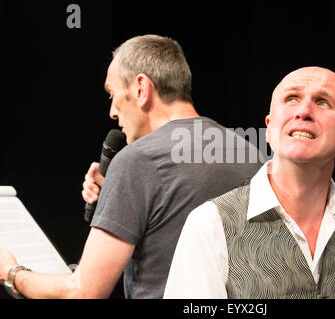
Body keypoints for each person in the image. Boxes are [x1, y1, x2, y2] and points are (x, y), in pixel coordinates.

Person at [0, 34, 262, 298]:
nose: (112, 112)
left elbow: (82, 292)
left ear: (141, 89)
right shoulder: (254, 157)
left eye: (112, 94)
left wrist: (13, 273)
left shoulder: (138, 160)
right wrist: (118, 201)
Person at [163, 66, 335, 299]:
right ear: (269, 129)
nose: (303, 111)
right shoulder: (210, 224)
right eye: (291, 98)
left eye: (322, 102)